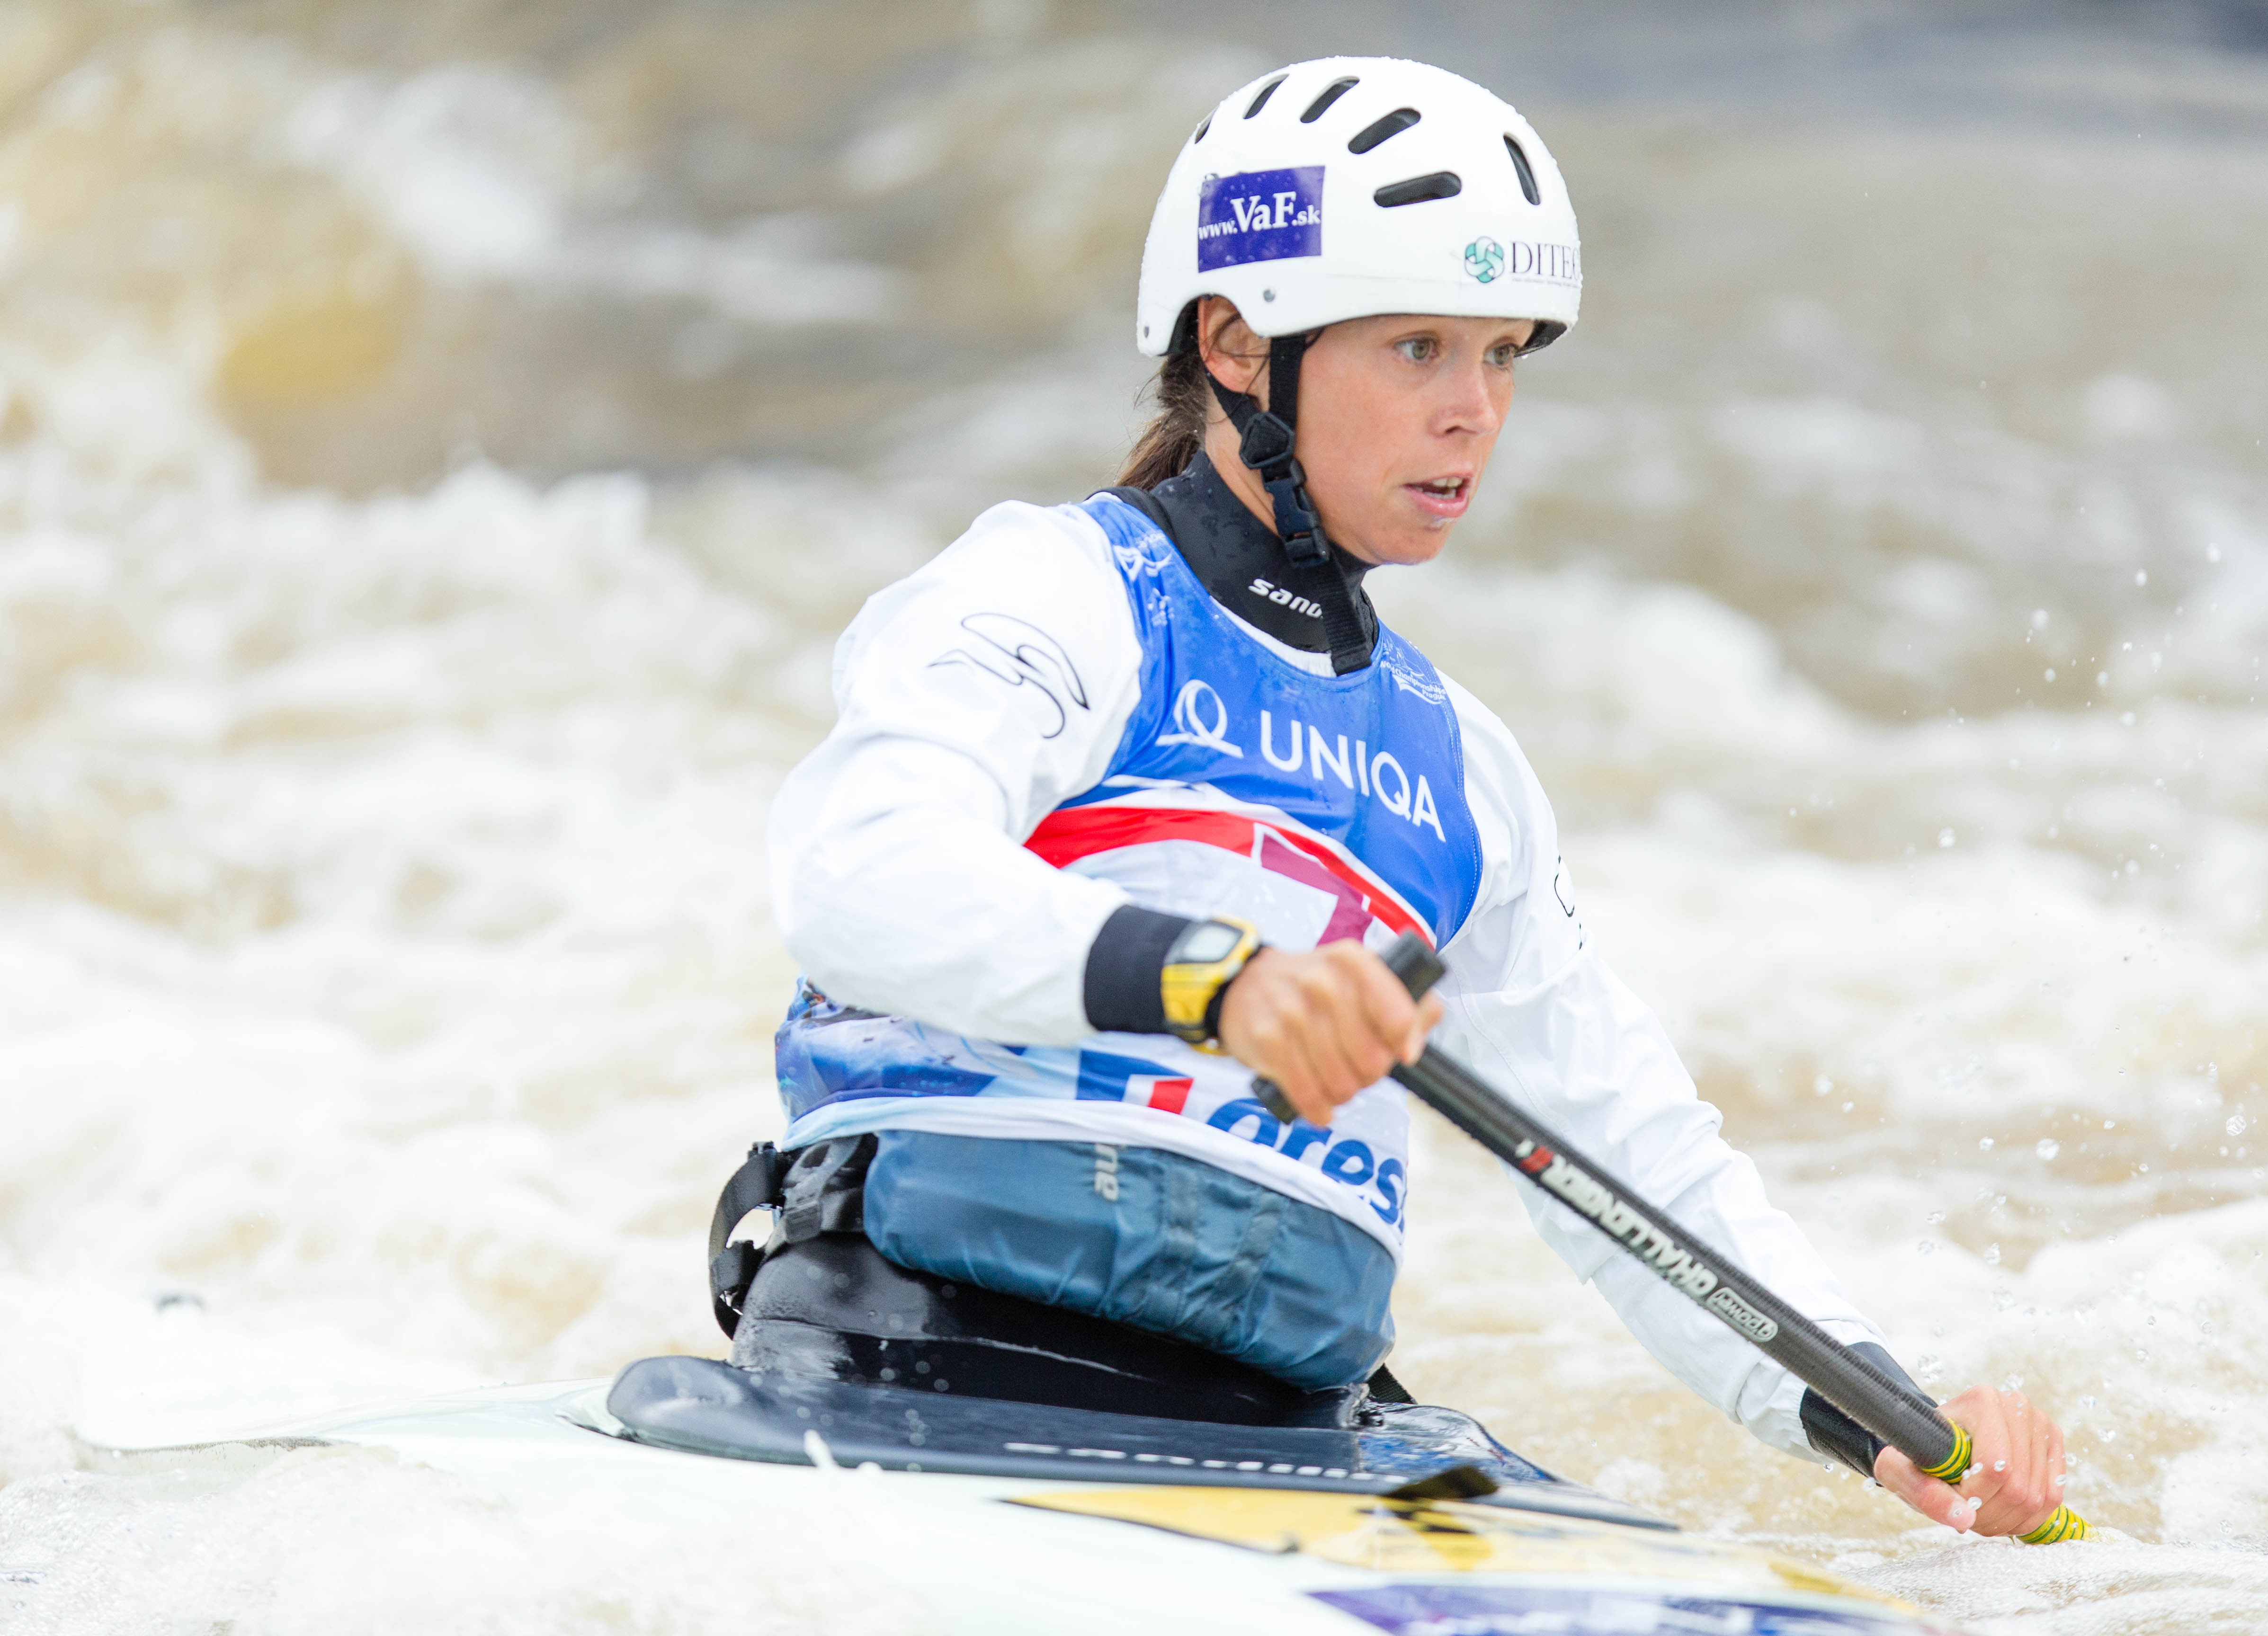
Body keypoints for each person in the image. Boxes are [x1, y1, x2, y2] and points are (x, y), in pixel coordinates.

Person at [758, 55, 2068, 1538]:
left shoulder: (1467, 769)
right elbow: (858, 870)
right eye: (1420, 350)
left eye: (1503, 355)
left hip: (1286, 1419)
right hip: (926, 1354)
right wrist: (1214, 982)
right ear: (1243, 347)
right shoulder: (1052, 592)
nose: (1477, 414)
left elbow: (1628, 1151)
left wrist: (1883, 1415)